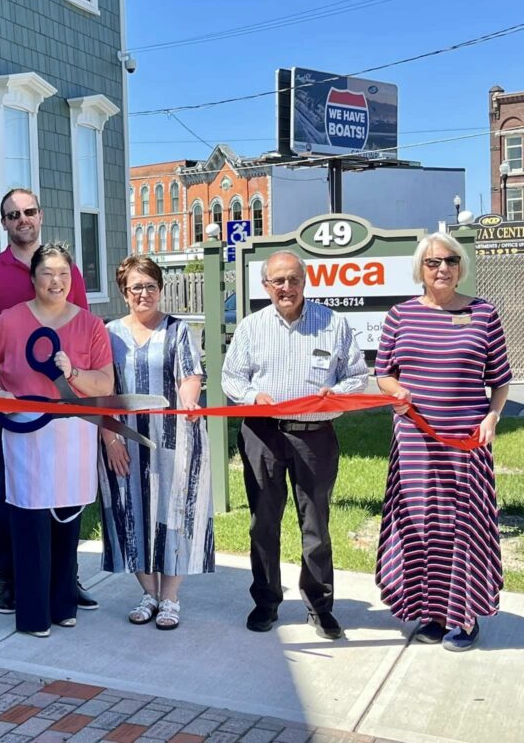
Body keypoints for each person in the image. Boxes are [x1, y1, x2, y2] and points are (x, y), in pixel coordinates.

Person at [0, 187, 98, 615]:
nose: (23, 219)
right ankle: (12, 579)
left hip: (63, 411)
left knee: (66, 493)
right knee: (10, 496)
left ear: (41, 215)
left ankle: (63, 579)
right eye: (13, 214)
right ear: (4, 223)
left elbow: (85, 342)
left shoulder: (66, 271)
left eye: (29, 211)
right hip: (13, 412)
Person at [375, 232, 512, 652]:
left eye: (451, 261)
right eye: (434, 262)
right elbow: (384, 372)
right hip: (416, 442)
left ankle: (465, 617)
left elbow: (500, 380)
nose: (443, 269)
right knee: (421, 525)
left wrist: (493, 416)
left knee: (462, 527)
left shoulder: (483, 314)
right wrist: (395, 393)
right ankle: (433, 613)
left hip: (465, 443)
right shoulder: (400, 316)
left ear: (461, 266)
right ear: (421, 268)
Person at [222, 250, 368, 640]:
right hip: (263, 434)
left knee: (316, 525)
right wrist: (254, 396)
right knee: (263, 524)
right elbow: (231, 379)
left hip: (315, 437)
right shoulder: (251, 327)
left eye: (293, 279)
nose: (286, 288)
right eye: (278, 281)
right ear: (266, 286)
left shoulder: (332, 324)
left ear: (305, 281)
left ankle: (320, 606)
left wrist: (333, 394)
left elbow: (357, 376)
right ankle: (266, 602)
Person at [0, 243, 113, 637]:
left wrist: (73, 373)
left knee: (67, 518)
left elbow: (104, 383)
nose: (57, 281)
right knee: (30, 520)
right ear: (33, 278)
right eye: (48, 273)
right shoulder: (9, 321)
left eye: (64, 274)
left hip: (72, 433)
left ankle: (63, 602)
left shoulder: (90, 325)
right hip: (25, 435)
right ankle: (33, 614)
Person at [98, 256, 214, 631]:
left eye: (150, 285)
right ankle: (148, 593)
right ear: (124, 293)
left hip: (175, 438)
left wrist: (189, 402)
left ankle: (171, 598)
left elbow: (190, 375)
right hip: (125, 438)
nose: (143, 293)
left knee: (173, 513)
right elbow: (104, 390)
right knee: (129, 510)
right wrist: (110, 436)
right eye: (136, 287)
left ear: (160, 289)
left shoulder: (178, 330)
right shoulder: (109, 333)